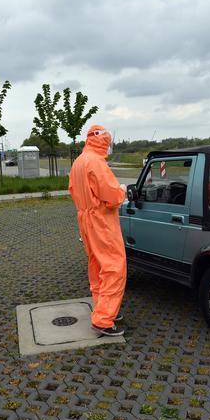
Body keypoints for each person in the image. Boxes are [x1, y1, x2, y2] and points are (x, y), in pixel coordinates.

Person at [69, 125, 127, 336]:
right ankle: (104, 319)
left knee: (97, 264)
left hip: (85, 219)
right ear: (103, 141)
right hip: (102, 221)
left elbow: (73, 190)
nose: (109, 146)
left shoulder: (79, 161)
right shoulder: (96, 163)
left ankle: (103, 307)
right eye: (108, 143)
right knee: (114, 267)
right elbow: (111, 196)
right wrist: (121, 191)